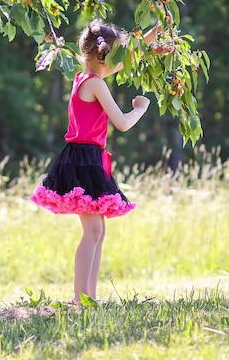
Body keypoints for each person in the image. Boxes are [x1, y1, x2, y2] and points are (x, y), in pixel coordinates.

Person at [30, 19, 163, 304]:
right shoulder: (96, 85)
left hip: (88, 158)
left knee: (97, 230)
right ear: (104, 57)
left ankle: (89, 296)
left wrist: (156, 32)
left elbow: (130, 57)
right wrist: (139, 109)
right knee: (92, 230)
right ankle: (80, 299)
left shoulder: (85, 76)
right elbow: (123, 123)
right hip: (83, 160)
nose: (119, 64)